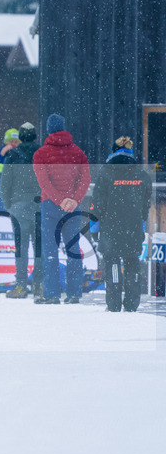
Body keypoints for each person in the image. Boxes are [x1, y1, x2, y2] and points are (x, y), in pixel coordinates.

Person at [33, 114, 91, 304]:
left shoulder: (40, 154)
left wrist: (59, 200)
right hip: (73, 208)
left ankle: (51, 294)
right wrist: (74, 200)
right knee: (73, 249)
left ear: (49, 130)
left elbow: (44, 183)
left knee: (50, 250)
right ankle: (74, 293)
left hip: (50, 206)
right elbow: (85, 180)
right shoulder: (78, 152)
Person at [91, 137, 153, 312]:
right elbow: (144, 208)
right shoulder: (142, 175)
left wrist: (94, 230)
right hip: (133, 228)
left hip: (111, 228)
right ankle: (132, 303)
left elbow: (96, 206)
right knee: (132, 261)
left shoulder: (105, 174)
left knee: (112, 261)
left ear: (113, 152)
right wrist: (141, 229)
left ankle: (114, 303)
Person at [0, 122, 43, 298]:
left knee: (21, 248)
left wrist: (8, 205)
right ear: (34, 136)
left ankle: (21, 286)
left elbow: (5, 184)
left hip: (18, 207)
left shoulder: (12, 155)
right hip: (40, 205)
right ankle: (39, 285)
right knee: (40, 247)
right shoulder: (42, 153)